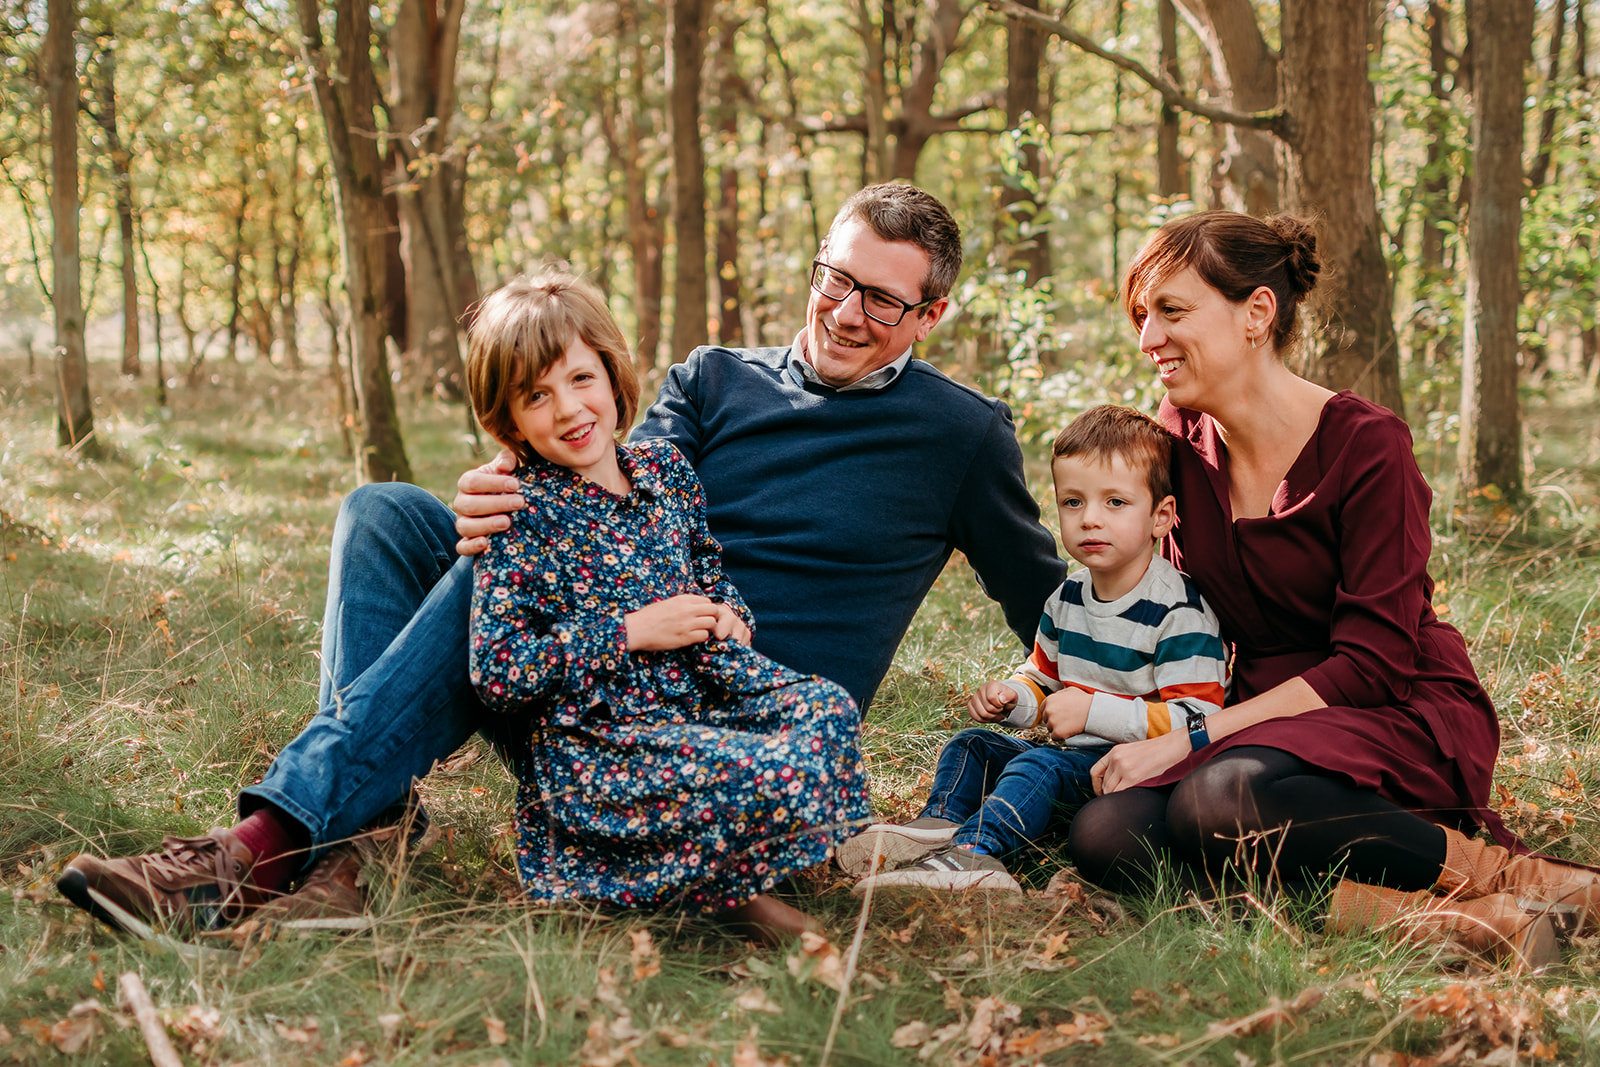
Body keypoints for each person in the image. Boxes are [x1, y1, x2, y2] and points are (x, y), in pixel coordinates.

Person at [57, 182, 1064, 935]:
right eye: (836, 278)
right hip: (600, 669)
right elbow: (601, 473)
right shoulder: (713, 379)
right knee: (386, 512)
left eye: (882, 301)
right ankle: (360, 836)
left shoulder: (961, 435)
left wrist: (1163, 712)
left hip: (738, 717)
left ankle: (268, 850)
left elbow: (1054, 611)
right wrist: (502, 480)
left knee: (484, 580)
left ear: (930, 317)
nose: (845, 311)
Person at [1063, 210, 1599, 970]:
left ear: (1256, 313)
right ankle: (1456, 924)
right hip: (1250, 713)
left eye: (1172, 311)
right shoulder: (1176, 435)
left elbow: (1373, 664)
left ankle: (1526, 880)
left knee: (1220, 803)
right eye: (1143, 316)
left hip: (1391, 702)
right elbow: (1141, 580)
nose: (1148, 339)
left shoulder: (1367, 444)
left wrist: (1184, 742)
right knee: (1106, 832)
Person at [460, 271, 865, 938]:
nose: (568, 409)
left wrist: (729, 614)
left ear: (613, 374)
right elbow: (499, 673)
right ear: (508, 418)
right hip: (603, 742)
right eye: (537, 395)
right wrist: (627, 632)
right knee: (759, 771)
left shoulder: (666, 473)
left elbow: (708, 570)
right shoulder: (521, 514)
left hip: (697, 699)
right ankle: (719, 896)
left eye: (580, 378)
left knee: (827, 713)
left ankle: (711, 866)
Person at [840, 405, 1226, 894]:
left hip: (1134, 772)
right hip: (1074, 756)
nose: (1089, 520)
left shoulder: (1177, 610)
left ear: (1161, 517)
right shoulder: (1068, 597)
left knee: (1037, 764)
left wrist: (1092, 711)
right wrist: (1013, 697)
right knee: (972, 744)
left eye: (1115, 503)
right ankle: (935, 829)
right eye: (1072, 502)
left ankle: (976, 855)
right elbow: (1042, 677)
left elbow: (1197, 719)